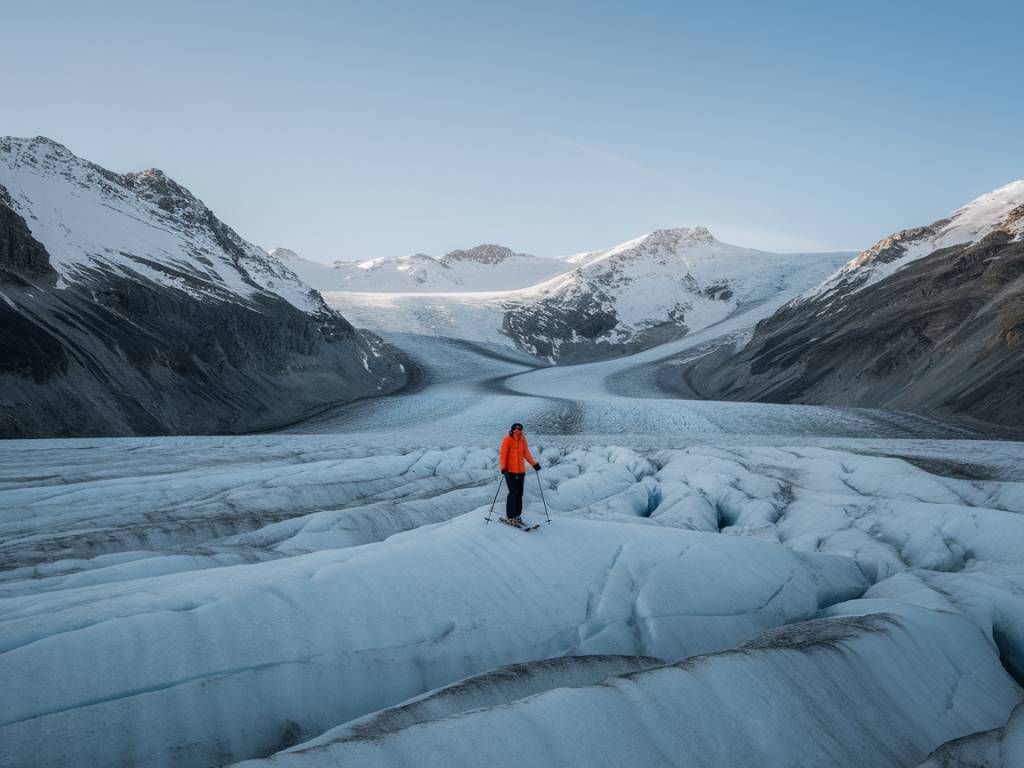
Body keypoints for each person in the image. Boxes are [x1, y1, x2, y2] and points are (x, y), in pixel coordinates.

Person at [500, 422, 541, 525]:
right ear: (512, 429)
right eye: (516, 429)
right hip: (510, 471)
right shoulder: (507, 439)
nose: (518, 430)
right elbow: (503, 454)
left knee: (519, 494)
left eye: (520, 429)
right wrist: (503, 468)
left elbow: (526, 453)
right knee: (512, 493)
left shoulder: (523, 439)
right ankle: (510, 517)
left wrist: (534, 464)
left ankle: (517, 516)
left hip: (521, 471)